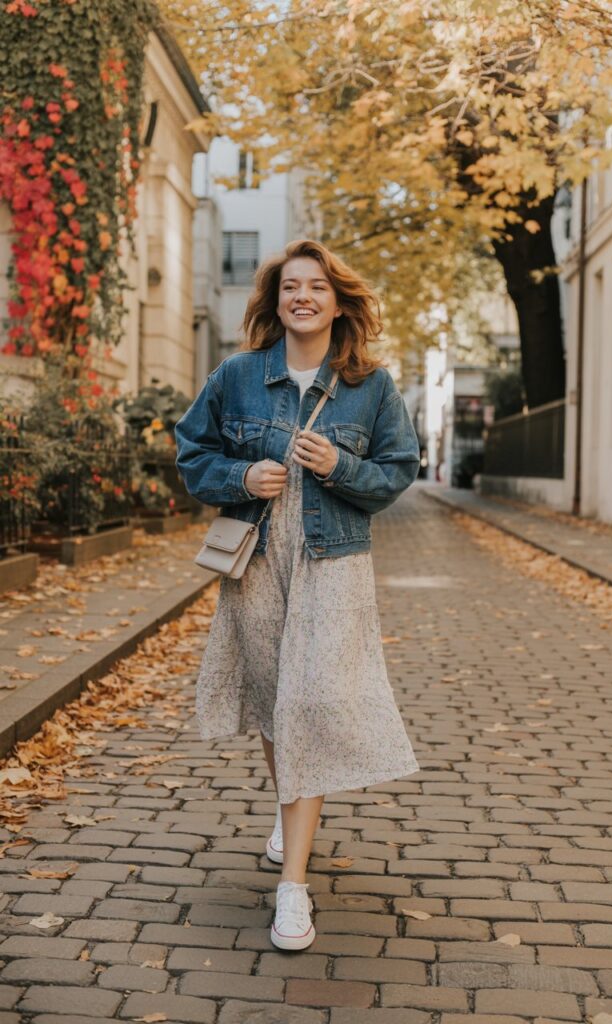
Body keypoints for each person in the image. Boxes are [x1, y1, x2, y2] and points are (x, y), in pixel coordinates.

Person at [174, 238, 421, 952]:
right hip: (256, 559)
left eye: (316, 287)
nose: (303, 297)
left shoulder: (370, 385)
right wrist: (242, 479)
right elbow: (193, 452)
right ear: (275, 301)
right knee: (278, 697)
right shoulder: (237, 375)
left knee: (310, 700)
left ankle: (294, 889)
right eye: (290, 288)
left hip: (332, 562)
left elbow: (398, 470)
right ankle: (290, 820)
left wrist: (342, 464)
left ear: (338, 302)